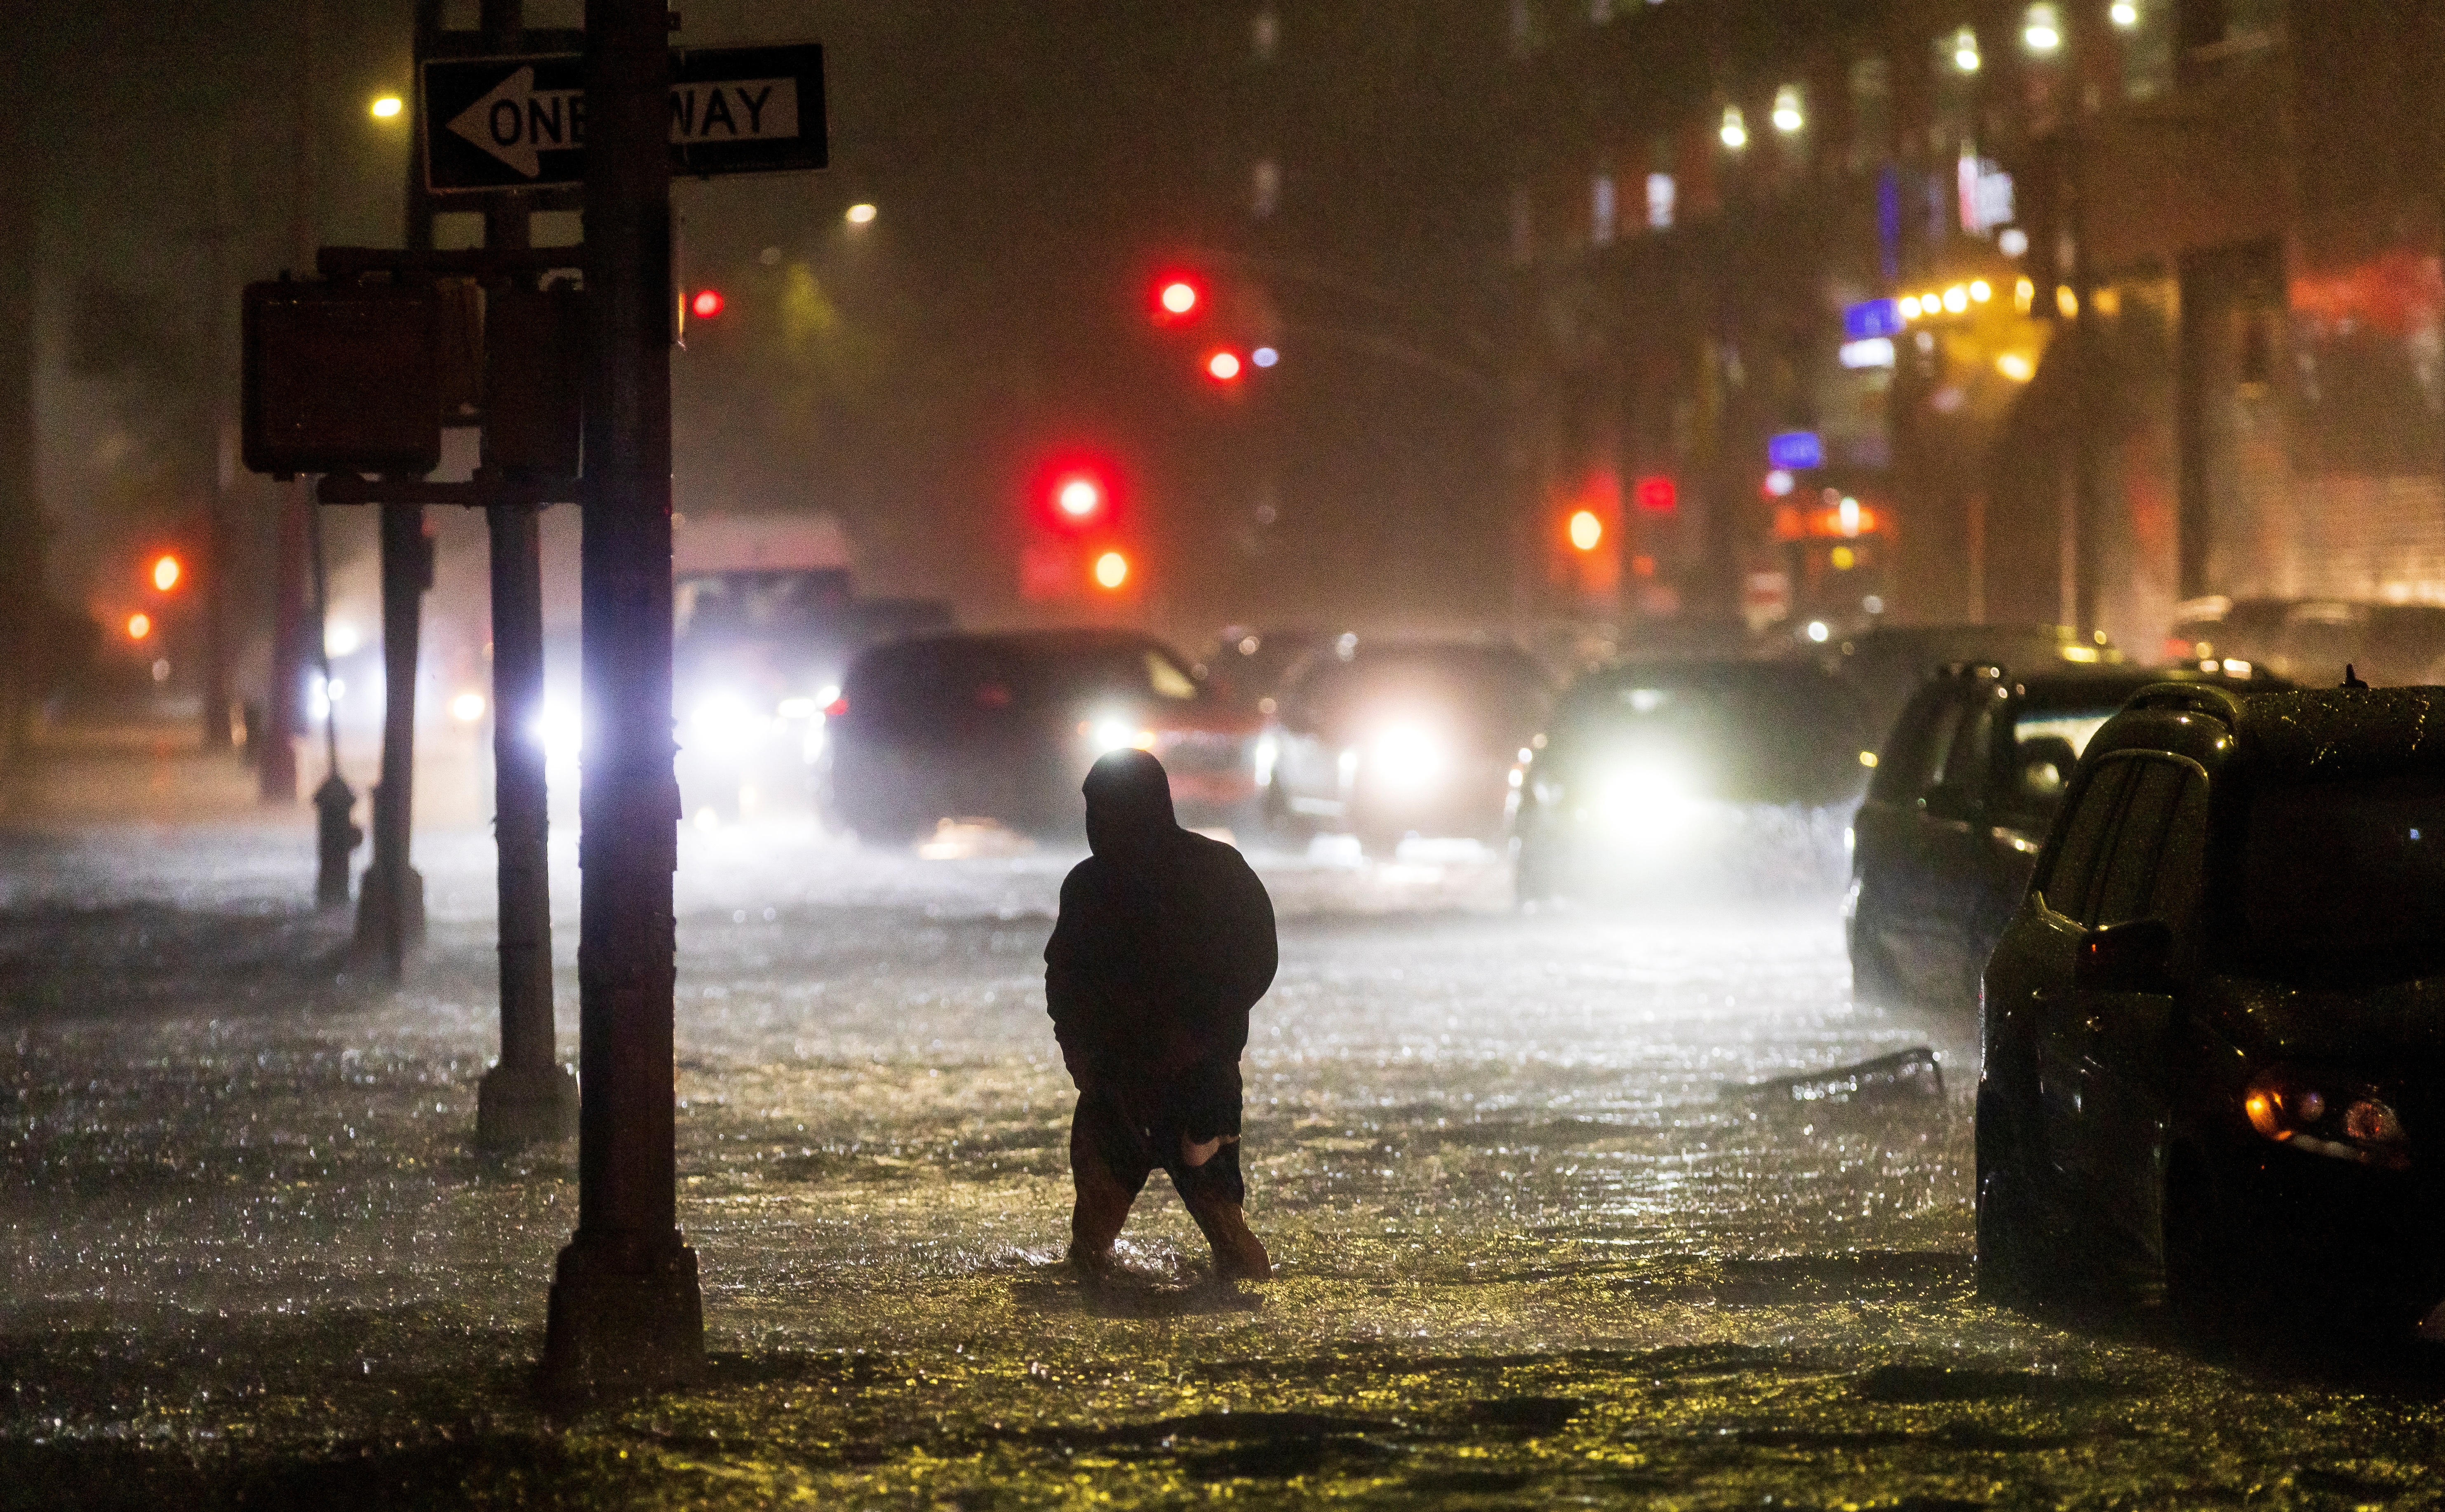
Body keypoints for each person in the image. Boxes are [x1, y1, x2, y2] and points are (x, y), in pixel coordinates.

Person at [1045, 748, 1277, 1282]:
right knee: (1098, 1245)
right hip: (1140, 1082)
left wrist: (1195, 1035)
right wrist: (1082, 1057)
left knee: (1211, 1235)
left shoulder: (1205, 875)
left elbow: (1253, 962)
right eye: (1090, 812)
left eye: (1101, 810)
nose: (1094, 825)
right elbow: (1065, 980)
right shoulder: (1092, 886)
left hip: (1176, 1083)